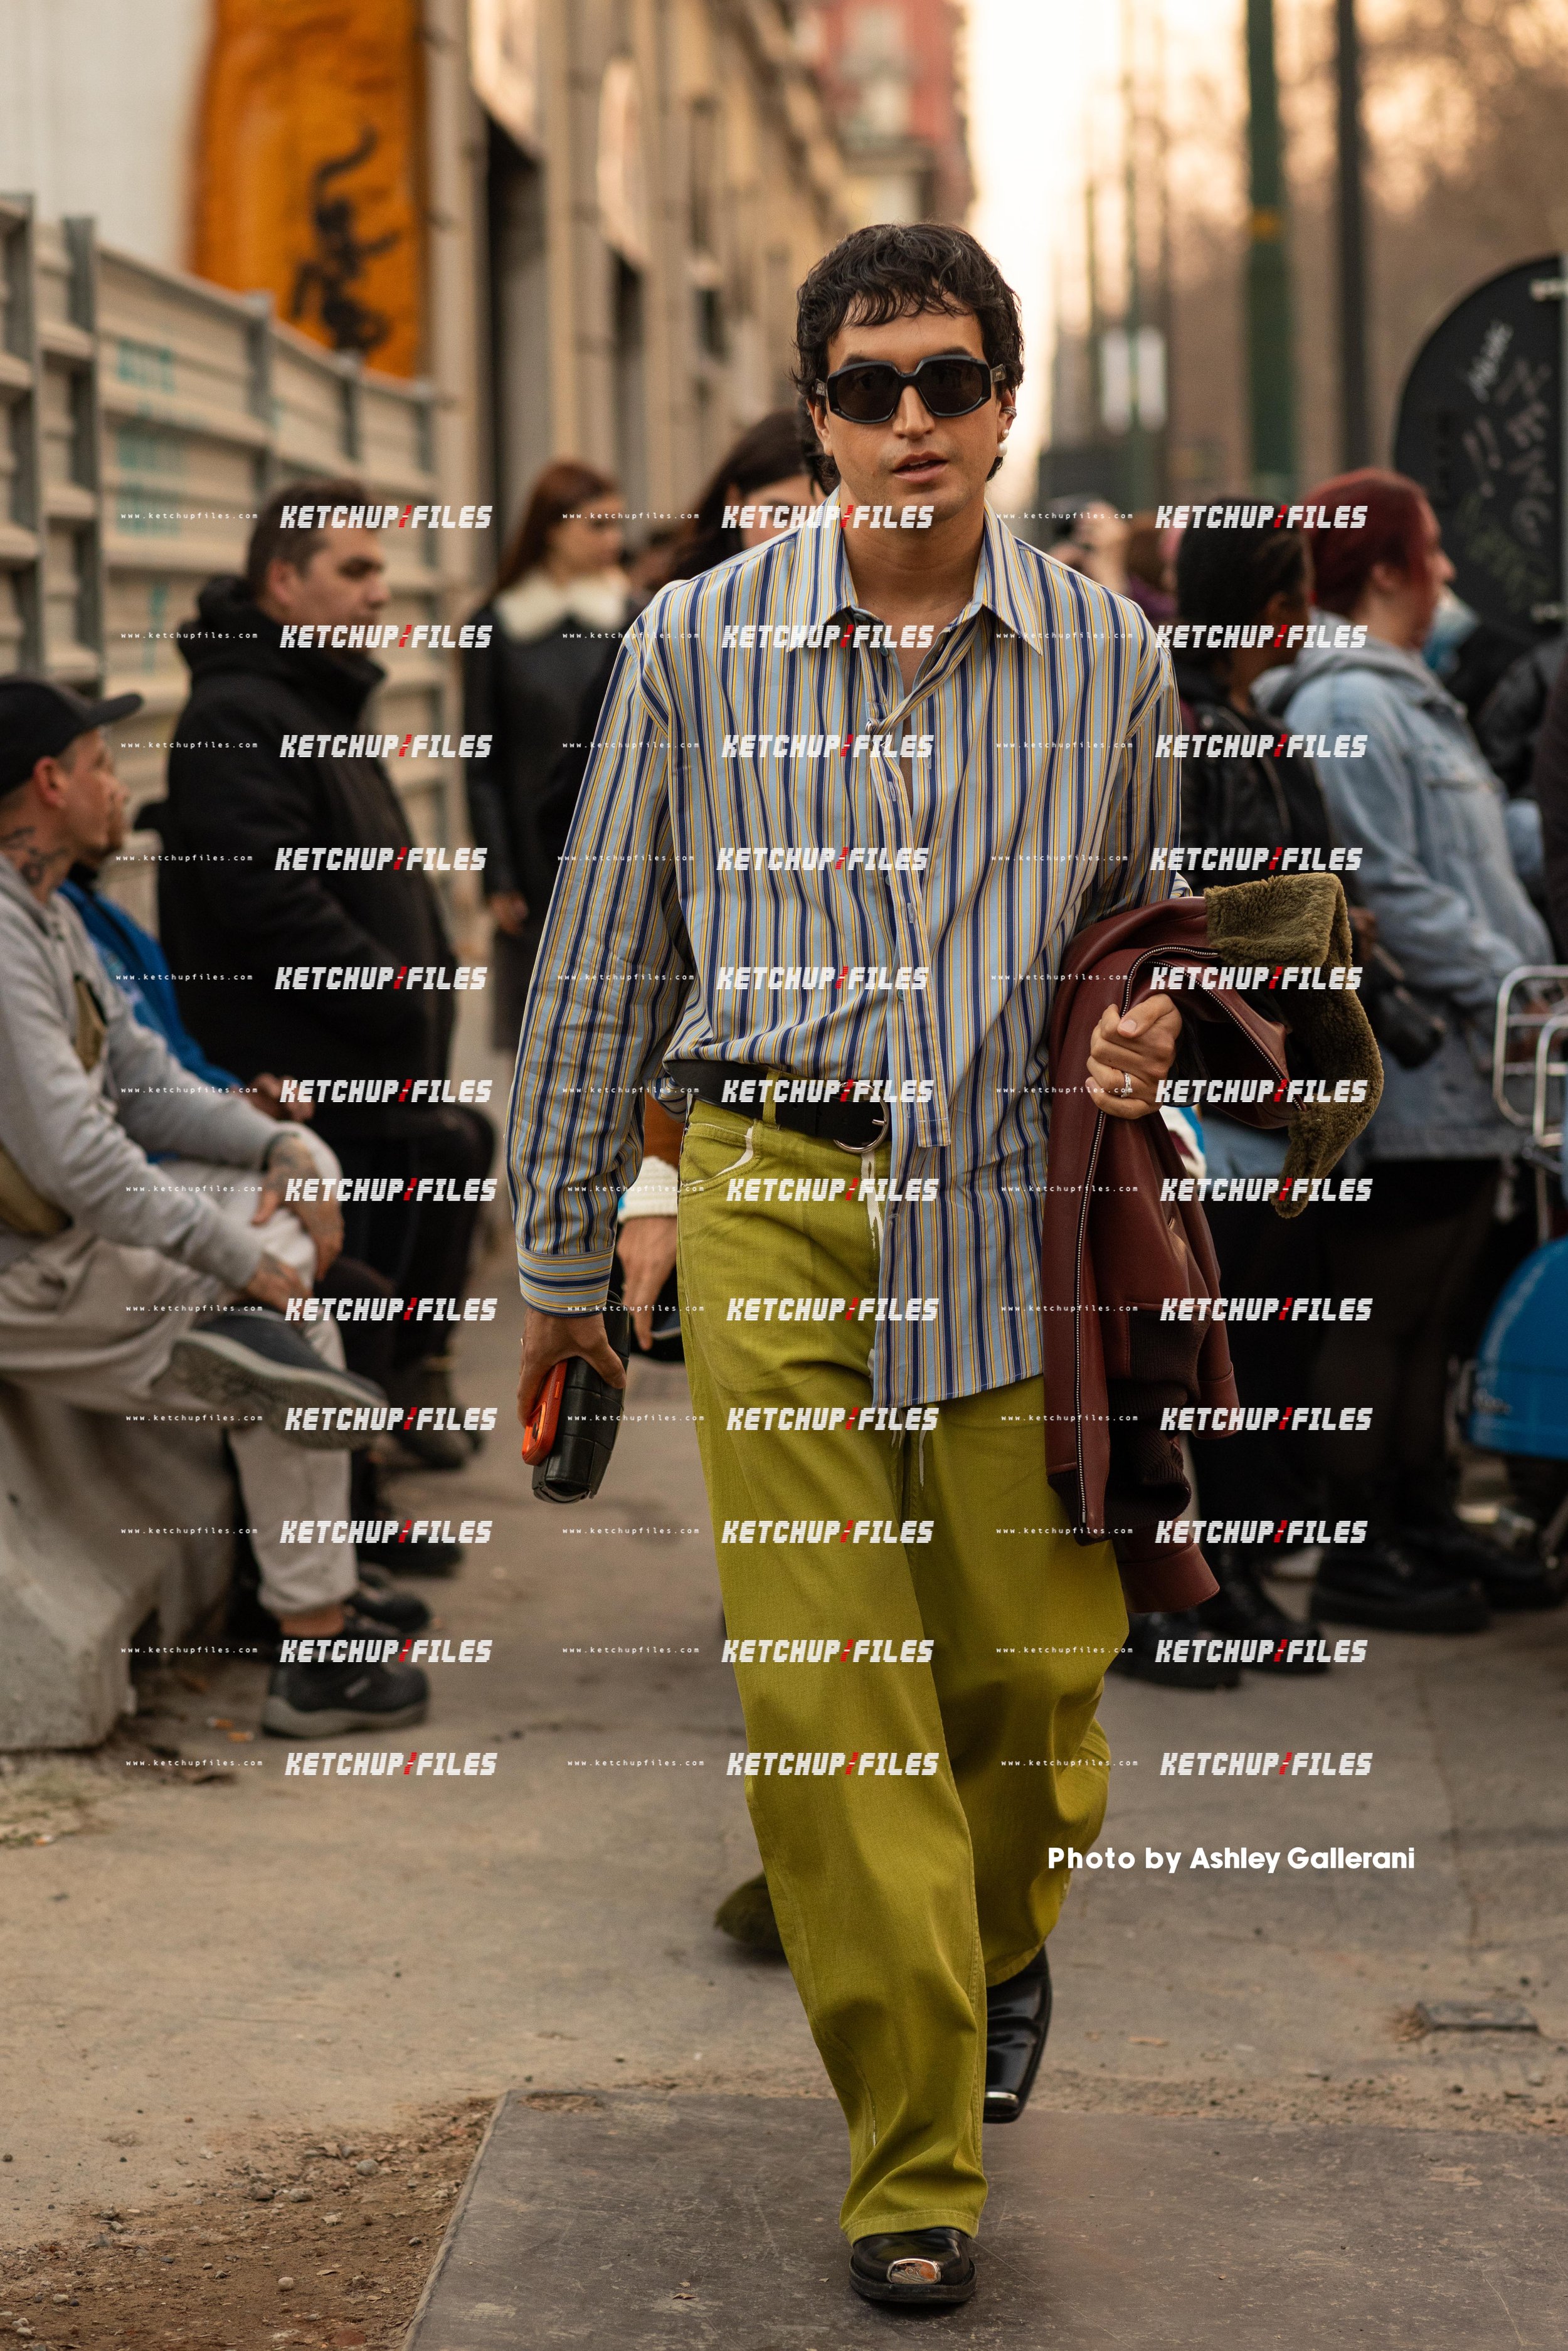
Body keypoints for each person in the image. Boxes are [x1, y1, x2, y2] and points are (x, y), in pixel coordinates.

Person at [509, 221, 1189, 2308]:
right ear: (815, 416)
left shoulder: (1112, 658)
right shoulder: (698, 648)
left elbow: (1140, 926)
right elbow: (603, 954)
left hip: (1013, 1218)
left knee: (1029, 1688)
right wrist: (560, 1263)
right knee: (827, 1696)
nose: (913, 421)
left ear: (1006, 404)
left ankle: (987, 1947)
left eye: (949, 380)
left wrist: (1142, 1026)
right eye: (870, 385)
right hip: (772, 1201)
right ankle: (915, 2147)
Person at [0, 677, 429, 1736]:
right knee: (283, 1311)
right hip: (32, 1277)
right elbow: (83, 1161)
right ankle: (314, 1638)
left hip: (76, 1248)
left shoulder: (46, 917)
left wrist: (285, 1143)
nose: (118, 783)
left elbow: (146, 1078)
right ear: (51, 783)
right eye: (103, 762)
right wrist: (233, 1253)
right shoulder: (3, 940)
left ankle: (240, 1361)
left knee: (273, 1244)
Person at [1257, 467, 1557, 1621]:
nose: (1446, 574)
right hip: (1415, 1064)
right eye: (1429, 552)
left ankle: (1417, 1513)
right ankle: (1360, 1542)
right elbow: (1387, 882)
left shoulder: (1400, 694)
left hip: (1464, 1065)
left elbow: (1471, 852)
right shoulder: (1348, 702)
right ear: (1383, 567)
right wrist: (1509, 986)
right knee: (1384, 1309)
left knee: (1431, 1313)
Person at [155, 482, 495, 1473]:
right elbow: (271, 904)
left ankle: (391, 1429)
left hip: (368, 1072)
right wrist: (397, 992)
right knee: (346, 1307)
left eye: (383, 570)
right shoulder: (238, 718)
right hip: (315, 1083)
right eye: (356, 570)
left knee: (444, 1178)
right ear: (284, 582)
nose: (380, 593)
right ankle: (347, 1524)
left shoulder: (314, 696)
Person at [1113, 511, 1340, 1682]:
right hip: (1199, 1101)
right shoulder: (1195, 730)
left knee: (1234, 1355)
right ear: (1275, 606)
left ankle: (1226, 1581)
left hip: (1249, 1098)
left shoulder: (1244, 725)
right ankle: (1162, 1593)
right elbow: (1185, 916)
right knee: (1182, 1353)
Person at [461, 460, 630, 1048]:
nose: (615, 539)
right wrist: (497, 872)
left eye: (617, 525)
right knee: (541, 1033)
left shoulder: (634, 618)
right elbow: (481, 763)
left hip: (621, 845)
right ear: (553, 528)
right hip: (534, 861)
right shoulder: (499, 625)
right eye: (598, 525)